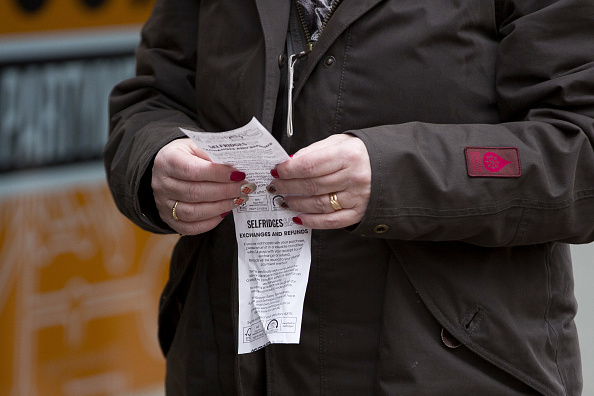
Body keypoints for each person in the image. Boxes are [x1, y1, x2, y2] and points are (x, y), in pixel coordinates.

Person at [104, 0, 594, 394]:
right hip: (223, 366)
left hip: (451, 368)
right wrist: (155, 161)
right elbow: (151, 99)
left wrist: (392, 173)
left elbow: (580, 148)